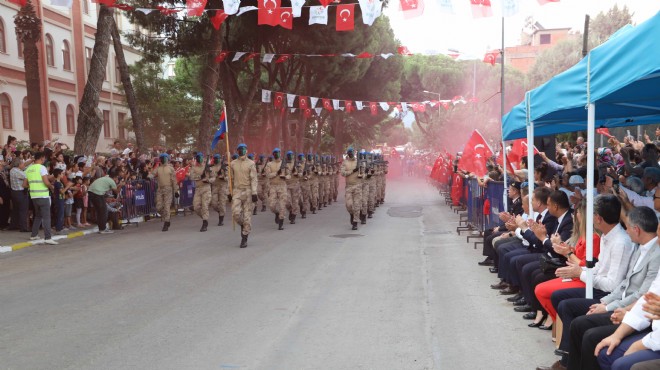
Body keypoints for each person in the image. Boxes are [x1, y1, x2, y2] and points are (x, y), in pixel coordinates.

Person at [24, 152, 58, 244]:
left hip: (34, 196)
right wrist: (52, 187)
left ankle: (34, 235)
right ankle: (48, 238)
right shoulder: (42, 168)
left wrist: (33, 187)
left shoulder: (29, 169)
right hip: (43, 195)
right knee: (46, 217)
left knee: (38, 216)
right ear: (42, 158)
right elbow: (46, 182)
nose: (44, 160)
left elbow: (24, 184)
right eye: (44, 158)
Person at [229, 143, 258, 248]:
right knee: (235, 213)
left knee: (247, 216)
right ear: (237, 151)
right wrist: (229, 192)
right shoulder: (232, 164)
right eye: (241, 149)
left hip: (248, 191)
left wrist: (254, 192)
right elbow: (230, 179)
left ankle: (244, 237)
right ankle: (242, 225)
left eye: (245, 149)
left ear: (247, 150)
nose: (243, 150)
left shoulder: (251, 163)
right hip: (237, 191)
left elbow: (254, 179)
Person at [88, 169, 125, 234]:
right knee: (103, 211)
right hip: (97, 193)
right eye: (117, 178)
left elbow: (110, 189)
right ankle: (103, 229)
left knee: (100, 211)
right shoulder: (111, 181)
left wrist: (118, 185)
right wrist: (121, 185)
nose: (117, 180)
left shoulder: (106, 178)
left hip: (92, 192)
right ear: (115, 177)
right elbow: (116, 191)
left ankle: (101, 228)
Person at [189, 152, 214, 232]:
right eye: (198, 157)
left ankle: (205, 222)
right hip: (198, 189)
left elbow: (213, 177)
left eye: (200, 157)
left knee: (205, 206)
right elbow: (191, 177)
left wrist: (208, 180)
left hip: (206, 188)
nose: (199, 159)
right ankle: (204, 217)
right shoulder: (194, 168)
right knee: (196, 207)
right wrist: (200, 177)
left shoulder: (208, 167)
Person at [265, 148, 289, 230]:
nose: (276, 154)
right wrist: (276, 173)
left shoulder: (284, 164)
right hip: (273, 186)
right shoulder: (269, 164)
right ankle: (276, 213)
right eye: (274, 153)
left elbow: (289, 175)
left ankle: (281, 222)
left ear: (280, 153)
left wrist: (285, 176)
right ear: (273, 154)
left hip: (282, 186)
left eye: (277, 152)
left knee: (282, 205)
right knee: (271, 205)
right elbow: (268, 175)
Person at [153, 153, 177, 231]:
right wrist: (148, 177)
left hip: (168, 189)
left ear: (167, 159)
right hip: (160, 189)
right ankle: (167, 217)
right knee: (158, 207)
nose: (163, 159)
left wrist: (176, 190)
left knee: (167, 206)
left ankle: (166, 222)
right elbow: (152, 174)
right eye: (161, 158)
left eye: (164, 158)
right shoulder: (158, 168)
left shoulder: (170, 168)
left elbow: (174, 180)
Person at [340, 147, 361, 230]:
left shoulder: (358, 162)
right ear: (347, 154)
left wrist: (365, 171)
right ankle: (352, 214)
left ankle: (355, 222)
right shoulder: (345, 162)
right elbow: (343, 173)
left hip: (357, 185)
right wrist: (352, 171)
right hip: (349, 186)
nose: (350, 154)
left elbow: (364, 173)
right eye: (349, 153)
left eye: (351, 152)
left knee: (356, 205)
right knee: (349, 205)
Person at [9, 158, 30, 232]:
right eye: (22, 163)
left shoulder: (12, 170)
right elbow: (26, 178)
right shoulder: (19, 172)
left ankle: (13, 225)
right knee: (23, 210)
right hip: (20, 192)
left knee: (15, 209)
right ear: (18, 164)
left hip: (14, 192)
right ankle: (23, 227)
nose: (23, 165)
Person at [211, 154, 229, 226]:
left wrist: (223, 177)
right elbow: (209, 177)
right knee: (213, 203)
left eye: (218, 158)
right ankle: (220, 212)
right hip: (215, 186)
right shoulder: (211, 168)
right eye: (215, 158)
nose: (216, 160)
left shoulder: (224, 167)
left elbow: (228, 177)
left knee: (222, 203)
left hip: (222, 186)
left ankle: (221, 218)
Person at [285, 150, 301, 224]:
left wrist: (297, 173)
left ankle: (293, 215)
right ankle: (290, 210)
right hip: (287, 184)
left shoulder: (297, 164)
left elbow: (301, 173)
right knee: (286, 201)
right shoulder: (284, 164)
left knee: (295, 201)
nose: (290, 156)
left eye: (291, 155)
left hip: (295, 184)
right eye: (289, 155)